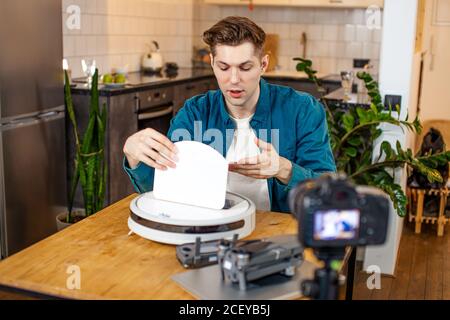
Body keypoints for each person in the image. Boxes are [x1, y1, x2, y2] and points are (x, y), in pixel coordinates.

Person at [123, 16, 336, 213]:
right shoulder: (195, 113)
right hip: (208, 231)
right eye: (224, 67)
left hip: (278, 236)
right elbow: (167, 189)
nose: (233, 79)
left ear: (263, 64)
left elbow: (327, 192)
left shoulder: (302, 110)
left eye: (245, 67)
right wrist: (135, 158)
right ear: (212, 63)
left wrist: (284, 169)